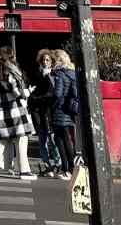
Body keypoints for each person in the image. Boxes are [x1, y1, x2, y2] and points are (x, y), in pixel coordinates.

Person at [0, 46, 36, 180]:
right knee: (21, 139)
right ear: (10, 56)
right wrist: (28, 92)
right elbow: (15, 92)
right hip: (15, 109)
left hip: (2, 110)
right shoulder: (9, 70)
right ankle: (24, 171)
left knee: (4, 139)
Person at [30, 49, 61, 177]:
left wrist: (37, 98)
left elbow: (51, 94)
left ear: (51, 62)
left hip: (49, 112)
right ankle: (47, 165)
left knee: (52, 139)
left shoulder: (53, 75)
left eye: (47, 60)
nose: (45, 62)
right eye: (43, 60)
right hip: (39, 112)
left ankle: (58, 164)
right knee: (42, 140)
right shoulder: (37, 75)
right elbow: (33, 91)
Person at [52, 49, 78, 180]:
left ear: (58, 60)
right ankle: (71, 169)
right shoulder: (72, 73)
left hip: (60, 109)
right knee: (68, 139)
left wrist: (53, 106)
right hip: (70, 110)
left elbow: (57, 93)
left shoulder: (59, 74)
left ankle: (66, 169)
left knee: (60, 139)